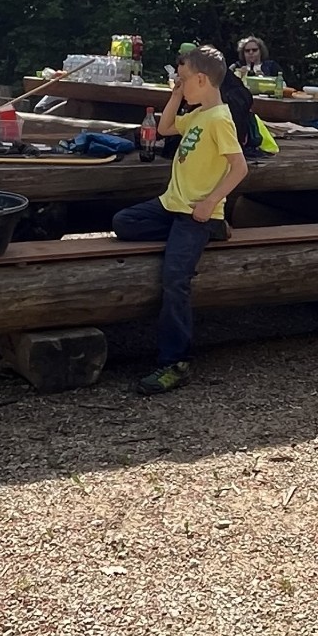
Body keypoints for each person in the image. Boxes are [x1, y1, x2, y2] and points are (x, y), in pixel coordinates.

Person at [109, 44, 248, 395]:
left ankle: (175, 362)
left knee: (174, 278)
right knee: (123, 222)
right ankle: (209, 230)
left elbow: (240, 168)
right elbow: (166, 126)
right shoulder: (198, 113)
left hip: (196, 211)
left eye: (183, 80)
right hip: (171, 205)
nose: (180, 85)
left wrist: (210, 203)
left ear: (201, 80)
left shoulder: (220, 119)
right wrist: (174, 94)